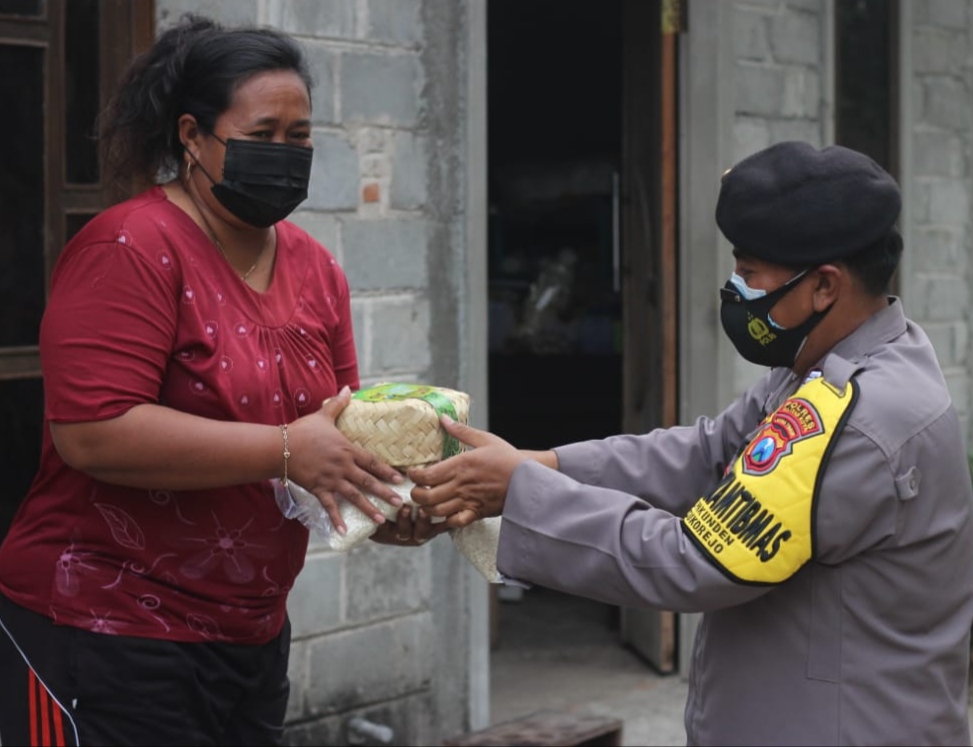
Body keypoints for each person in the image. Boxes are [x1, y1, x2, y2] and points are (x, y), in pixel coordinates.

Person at [408, 141, 973, 746]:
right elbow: (708, 453)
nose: (735, 288)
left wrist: (521, 492)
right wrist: (540, 463)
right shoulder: (829, 363)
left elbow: (697, 561)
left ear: (824, 287)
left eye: (750, 272)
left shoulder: (857, 417)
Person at [0, 14, 436, 747]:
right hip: (107, 625)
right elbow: (93, 432)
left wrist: (386, 505)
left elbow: (333, 431)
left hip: (249, 630)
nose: (285, 154)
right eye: (262, 135)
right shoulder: (130, 247)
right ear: (192, 136)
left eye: (298, 138)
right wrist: (286, 450)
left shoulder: (313, 267)